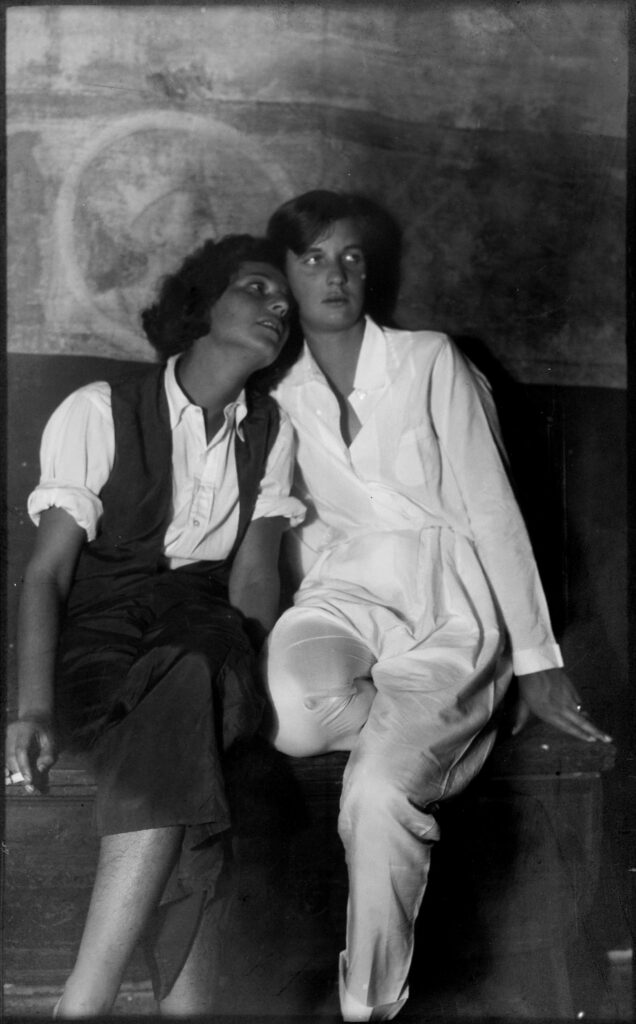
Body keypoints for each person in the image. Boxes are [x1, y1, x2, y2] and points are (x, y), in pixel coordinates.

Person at [263, 190, 613, 1022]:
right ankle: (455, 728)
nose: (335, 274)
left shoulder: (430, 360)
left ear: (370, 269)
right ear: (283, 274)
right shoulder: (280, 390)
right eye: (313, 258)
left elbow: (493, 508)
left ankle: (366, 1005)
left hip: (450, 603)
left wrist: (535, 661)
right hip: (343, 596)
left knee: (379, 792)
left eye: (351, 257)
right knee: (290, 716)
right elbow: (288, 524)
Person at [4, 234, 304, 1017]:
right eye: (257, 288)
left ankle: (87, 996)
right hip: (101, 652)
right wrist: (32, 711)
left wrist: (253, 682)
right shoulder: (101, 411)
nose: (280, 306)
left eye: (284, 300)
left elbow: (254, 578)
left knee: (199, 668)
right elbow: (47, 575)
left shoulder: (272, 431)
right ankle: (183, 1008)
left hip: (211, 638)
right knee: (188, 713)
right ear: (203, 306)